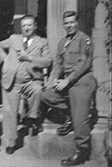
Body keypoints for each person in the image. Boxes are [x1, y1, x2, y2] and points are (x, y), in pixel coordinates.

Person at [41, 11, 97, 166]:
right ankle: (70, 115)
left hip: (81, 81)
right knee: (46, 96)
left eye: (72, 22)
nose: (69, 25)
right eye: (66, 23)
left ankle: (82, 151)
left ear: (77, 23)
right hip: (67, 82)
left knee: (81, 119)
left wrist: (67, 80)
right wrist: (52, 80)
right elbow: (58, 64)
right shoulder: (62, 42)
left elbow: (84, 64)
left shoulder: (84, 39)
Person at [0, 14, 52, 155]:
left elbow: (48, 61)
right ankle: (11, 143)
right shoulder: (14, 39)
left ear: (35, 26)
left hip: (31, 81)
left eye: (29, 25)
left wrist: (29, 57)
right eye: (24, 26)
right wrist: (5, 63)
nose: (26, 28)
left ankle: (32, 117)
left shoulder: (42, 42)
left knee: (38, 91)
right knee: (10, 112)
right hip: (12, 81)